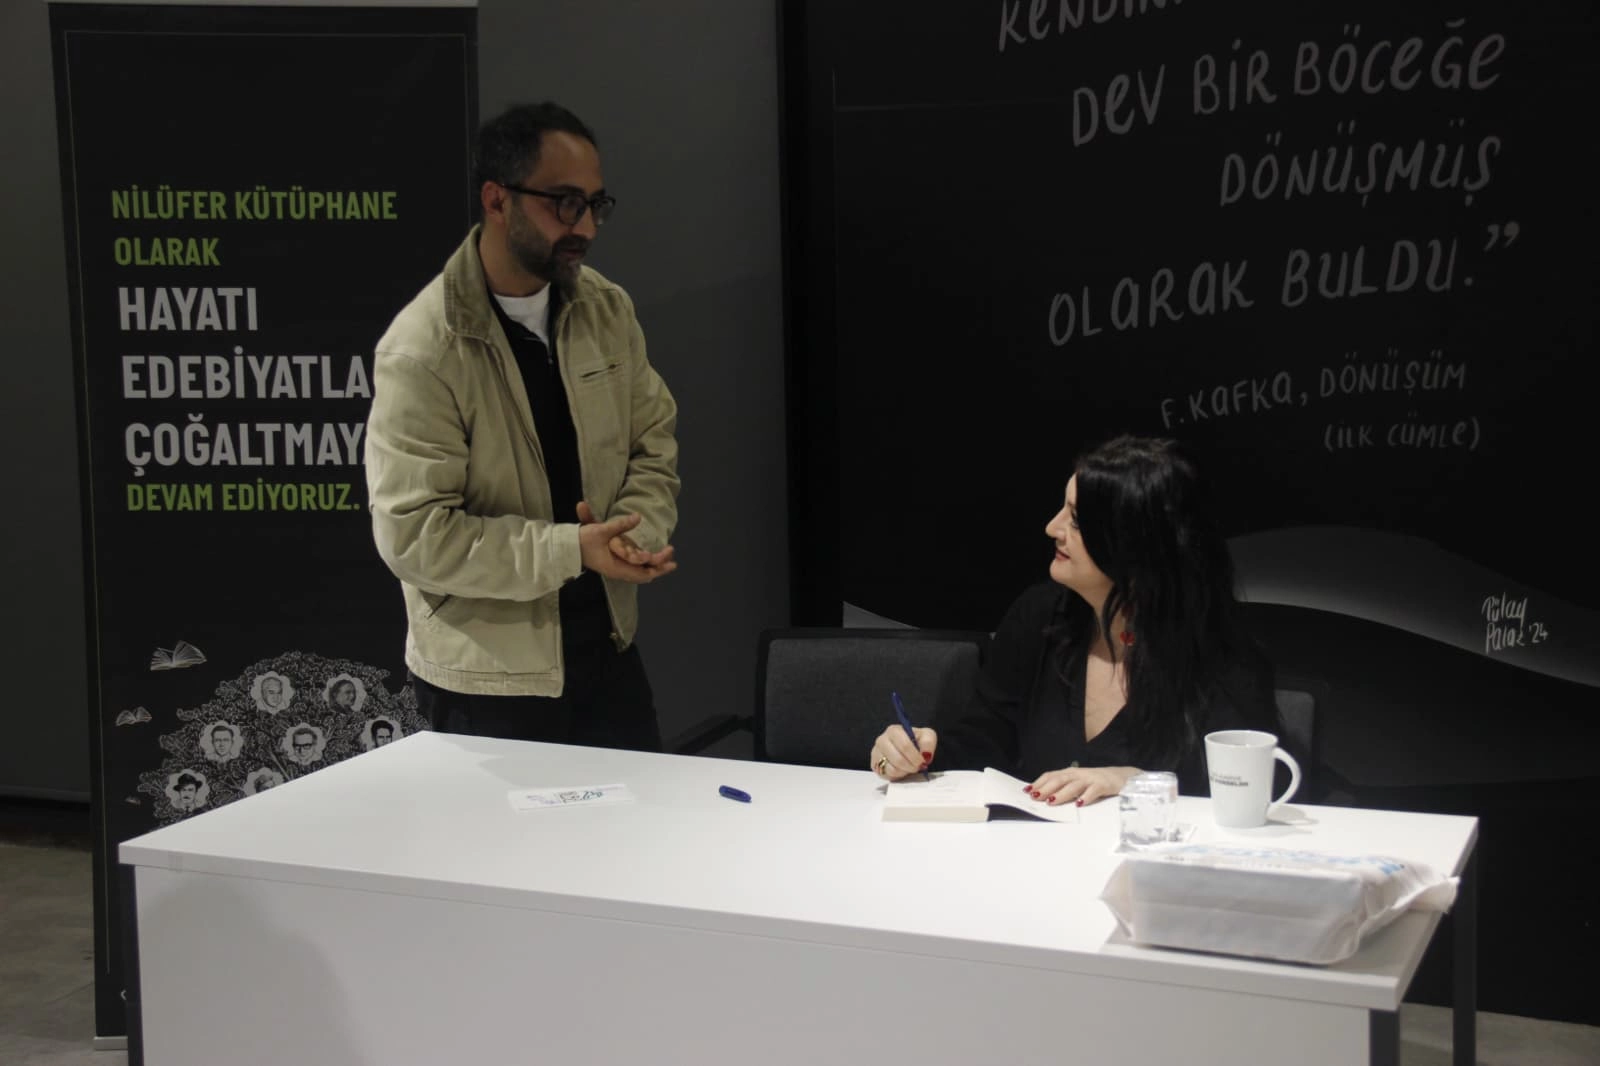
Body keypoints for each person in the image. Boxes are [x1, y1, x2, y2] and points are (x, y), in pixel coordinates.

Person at [366, 101, 680, 752]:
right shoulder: (423, 347)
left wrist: (635, 534)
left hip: (608, 651)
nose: (584, 226)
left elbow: (653, 443)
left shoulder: (605, 309)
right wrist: (571, 550)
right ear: (497, 199)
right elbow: (415, 537)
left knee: (641, 820)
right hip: (487, 683)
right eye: (565, 203)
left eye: (595, 205)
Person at [870, 435, 1275, 804]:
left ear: (1134, 545)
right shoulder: (1040, 615)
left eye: (1076, 520)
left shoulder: (1221, 656)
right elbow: (988, 739)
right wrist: (919, 751)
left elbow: (1253, 791)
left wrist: (1139, 781)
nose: (1052, 528)